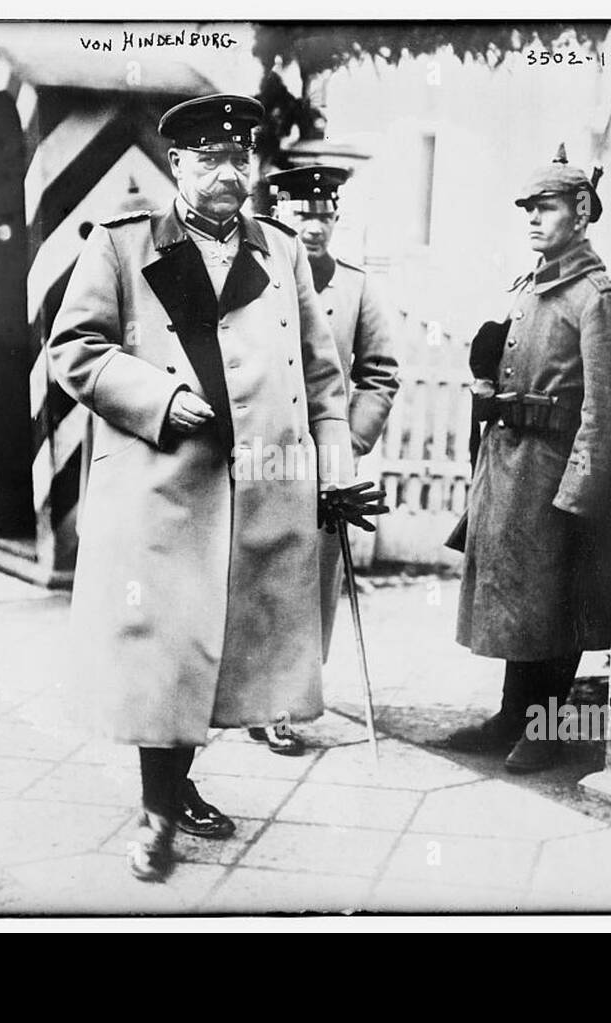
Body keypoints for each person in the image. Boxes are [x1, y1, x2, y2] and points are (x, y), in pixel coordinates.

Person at [46, 94, 382, 882]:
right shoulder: (122, 246)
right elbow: (74, 348)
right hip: (160, 490)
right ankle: (158, 813)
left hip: (260, 488)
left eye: (241, 158)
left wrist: (335, 471)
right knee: (166, 648)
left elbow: (323, 376)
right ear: (176, 166)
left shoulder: (282, 252)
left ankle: (178, 783)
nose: (228, 173)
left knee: (219, 656)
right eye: (208, 159)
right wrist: (159, 397)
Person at [442, 146, 611, 774]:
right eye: (527, 208)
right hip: (508, 464)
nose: (532, 219)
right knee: (516, 600)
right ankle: (510, 717)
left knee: (550, 606)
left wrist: (580, 491)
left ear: (580, 213)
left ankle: (545, 729)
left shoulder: (595, 298)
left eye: (545, 207)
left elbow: (603, 410)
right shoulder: (531, 285)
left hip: (552, 469)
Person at [255, 163, 400, 755]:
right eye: (300, 214)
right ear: (276, 215)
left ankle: (284, 704)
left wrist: (349, 442)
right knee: (256, 572)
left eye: (323, 215)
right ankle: (242, 689)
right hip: (259, 456)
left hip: (323, 461)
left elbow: (381, 373)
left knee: (313, 581)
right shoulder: (253, 276)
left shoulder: (357, 287)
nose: (312, 227)